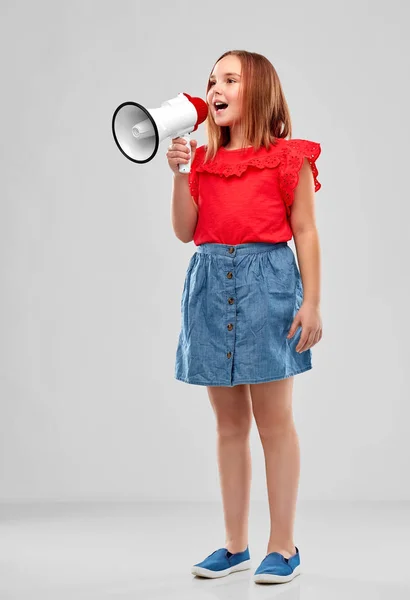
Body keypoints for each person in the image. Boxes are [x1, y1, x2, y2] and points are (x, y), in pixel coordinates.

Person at [167, 50, 323, 585]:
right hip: (211, 285)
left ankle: (284, 546)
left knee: (273, 423)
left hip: (270, 288)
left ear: (257, 91)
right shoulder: (202, 158)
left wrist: (312, 301)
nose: (216, 86)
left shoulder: (287, 157)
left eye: (230, 78)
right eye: (213, 79)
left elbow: (305, 230)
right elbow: (185, 231)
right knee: (229, 425)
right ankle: (235, 546)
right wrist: (181, 171)